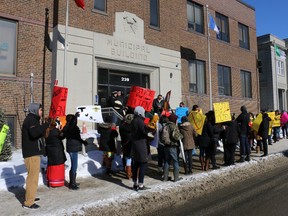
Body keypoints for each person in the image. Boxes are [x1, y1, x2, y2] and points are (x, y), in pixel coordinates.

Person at [21, 103, 49, 209]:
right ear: (35, 110)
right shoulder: (31, 120)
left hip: (33, 153)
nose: (41, 112)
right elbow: (34, 133)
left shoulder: (33, 119)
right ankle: (29, 202)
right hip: (31, 154)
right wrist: (45, 125)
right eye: (40, 110)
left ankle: (30, 197)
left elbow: (38, 133)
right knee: (32, 178)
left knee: (33, 177)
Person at [62, 113, 88, 190]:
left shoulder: (71, 127)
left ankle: (73, 181)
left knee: (74, 165)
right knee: (74, 165)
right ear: (72, 120)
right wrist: (75, 117)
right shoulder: (69, 127)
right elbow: (72, 126)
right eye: (74, 120)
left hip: (74, 147)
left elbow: (77, 137)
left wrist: (83, 142)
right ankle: (72, 184)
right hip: (72, 148)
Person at [131, 106, 150, 191]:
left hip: (135, 143)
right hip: (141, 143)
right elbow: (144, 131)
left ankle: (135, 183)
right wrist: (149, 129)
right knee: (143, 163)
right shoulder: (139, 120)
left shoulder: (133, 120)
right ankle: (141, 184)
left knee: (136, 164)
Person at [45, 118, 66, 187]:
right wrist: (61, 130)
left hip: (50, 152)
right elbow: (62, 136)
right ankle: (58, 182)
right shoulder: (55, 131)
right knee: (58, 167)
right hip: (57, 152)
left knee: (51, 167)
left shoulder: (47, 131)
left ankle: (51, 181)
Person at [162, 113, 182, 182]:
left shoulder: (165, 125)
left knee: (167, 162)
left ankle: (165, 178)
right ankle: (176, 178)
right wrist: (181, 136)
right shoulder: (174, 126)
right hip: (172, 146)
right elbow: (176, 137)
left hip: (166, 146)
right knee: (175, 162)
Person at [119, 114, 134, 179]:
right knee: (131, 158)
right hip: (131, 144)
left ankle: (128, 173)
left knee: (127, 157)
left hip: (124, 143)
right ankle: (130, 172)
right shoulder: (133, 127)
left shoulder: (122, 126)